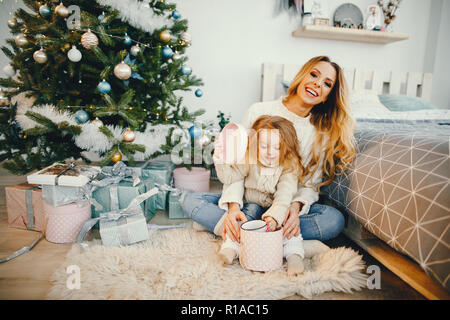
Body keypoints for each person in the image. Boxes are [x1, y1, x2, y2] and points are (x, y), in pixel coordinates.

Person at [181, 55, 356, 262]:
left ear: (328, 96)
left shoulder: (321, 133)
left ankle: (236, 233)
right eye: (314, 74)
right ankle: (283, 242)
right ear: (302, 76)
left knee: (333, 220)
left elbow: (310, 184)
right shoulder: (259, 111)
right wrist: (234, 208)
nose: (317, 84)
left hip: (284, 203)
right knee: (189, 199)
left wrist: (294, 208)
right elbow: (238, 165)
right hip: (249, 201)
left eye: (327, 84)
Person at [213, 115, 307, 275]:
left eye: (277, 148)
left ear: (287, 147)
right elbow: (229, 178)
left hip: (275, 208)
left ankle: (294, 256)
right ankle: (230, 250)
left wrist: (274, 218)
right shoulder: (249, 158)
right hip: (251, 206)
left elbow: (284, 197)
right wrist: (220, 157)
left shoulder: (289, 165)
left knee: (288, 229)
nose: (270, 153)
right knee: (243, 223)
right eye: (264, 146)